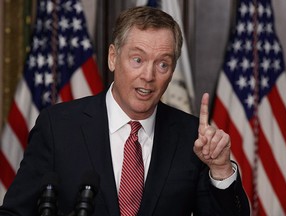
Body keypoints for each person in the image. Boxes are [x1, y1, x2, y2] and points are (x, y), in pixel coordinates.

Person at [0, 6, 250, 216]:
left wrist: (220, 170)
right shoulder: (58, 127)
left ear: (173, 71)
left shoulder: (193, 138)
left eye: (163, 64)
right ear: (112, 57)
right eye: (137, 60)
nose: (148, 76)